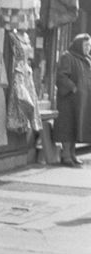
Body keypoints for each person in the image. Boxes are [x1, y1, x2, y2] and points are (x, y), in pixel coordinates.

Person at [53, 33, 91, 167]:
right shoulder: (67, 57)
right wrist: (73, 88)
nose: (88, 48)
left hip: (81, 102)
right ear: (78, 45)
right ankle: (66, 155)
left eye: (89, 45)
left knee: (76, 127)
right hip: (68, 101)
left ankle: (73, 154)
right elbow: (61, 76)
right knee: (68, 127)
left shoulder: (86, 59)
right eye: (86, 45)